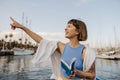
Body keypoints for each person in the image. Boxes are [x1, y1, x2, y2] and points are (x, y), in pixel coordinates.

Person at [10, 17, 96, 80]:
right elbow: (41, 40)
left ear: (78, 31)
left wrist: (80, 73)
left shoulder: (85, 52)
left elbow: (92, 75)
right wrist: (22, 27)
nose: (65, 28)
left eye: (69, 26)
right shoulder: (61, 47)